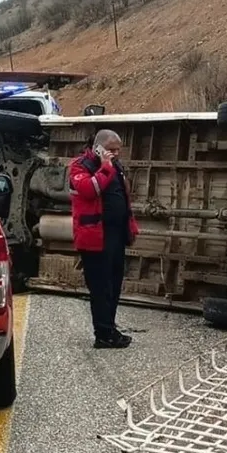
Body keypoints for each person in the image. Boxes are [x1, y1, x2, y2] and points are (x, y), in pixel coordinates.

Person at [69, 129, 140, 348]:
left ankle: (109, 327)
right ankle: (103, 334)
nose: (116, 153)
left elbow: (123, 197)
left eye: (118, 150)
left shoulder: (116, 166)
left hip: (115, 235)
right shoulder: (80, 166)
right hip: (94, 237)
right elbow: (89, 190)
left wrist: (130, 227)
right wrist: (106, 166)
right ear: (98, 148)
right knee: (100, 287)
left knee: (114, 284)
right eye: (111, 149)